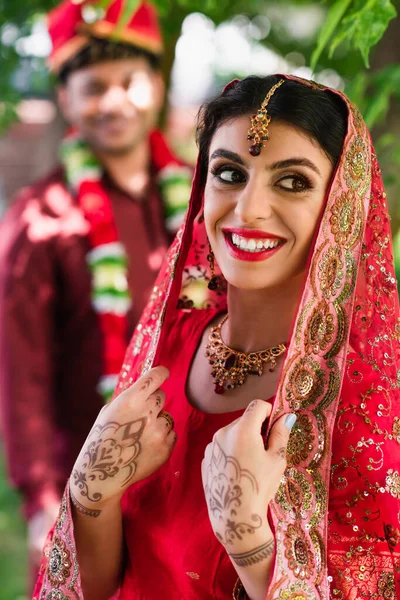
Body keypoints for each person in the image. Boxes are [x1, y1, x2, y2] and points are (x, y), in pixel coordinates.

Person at [34, 74, 400, 600]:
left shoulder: (361, 405)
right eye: (229, 173)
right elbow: (96, 585)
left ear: (341, 207)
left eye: (292, 181)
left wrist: (251, 544)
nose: (248, 209)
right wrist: (90, 496)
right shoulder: (171, 341)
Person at [0, 0, 191, 580]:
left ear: (156, 85)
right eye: (93, 87)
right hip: (84, 485)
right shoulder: (42, 219)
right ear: (67, 100)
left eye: (130, 82)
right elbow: (21, 372)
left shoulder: (204, 204)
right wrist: (40, 501)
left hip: (189, 484)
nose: (113, 102)